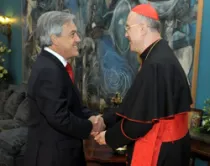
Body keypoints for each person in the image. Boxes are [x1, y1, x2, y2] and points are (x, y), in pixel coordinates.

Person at [94, 4, 192, 166]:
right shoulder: (160, 55)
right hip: (173, 148)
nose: (125, 34)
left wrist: (109, 137)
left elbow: (138, 123)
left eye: (127, 28)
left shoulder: (155, 64)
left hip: (160, 150)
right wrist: (106, 120)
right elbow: (139, 107)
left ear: (142, 28)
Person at [24, 11, 105, 166]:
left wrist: (96, 117)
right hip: (53, 158)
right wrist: (91, 126)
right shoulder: (49, 70)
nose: (78, 39)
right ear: (54, 39)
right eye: (72, 34)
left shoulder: (53, 65)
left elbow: (72, 107)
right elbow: (59, 117)